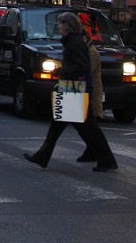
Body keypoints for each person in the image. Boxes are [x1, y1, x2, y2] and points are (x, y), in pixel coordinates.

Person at [22, 12, 118, 172]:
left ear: (67, 26)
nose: (58, 26)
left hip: (74, 90)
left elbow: (82, 66)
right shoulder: (73, 42)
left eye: (60, 24)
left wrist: (62, 71)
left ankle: (106, 158)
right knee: (64, 126)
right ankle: (43, 156)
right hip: (72, 89)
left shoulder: (75, 43)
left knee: (84, 127)